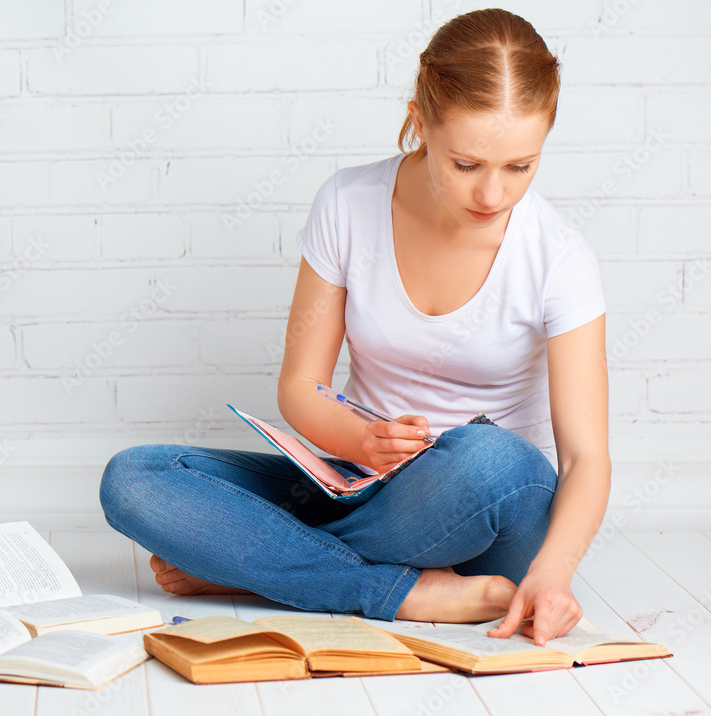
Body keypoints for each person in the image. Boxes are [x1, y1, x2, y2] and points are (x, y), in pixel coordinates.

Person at [99, 8, 610, 646]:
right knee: (135, 479)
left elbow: (586, 457)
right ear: (419, 122)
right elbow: (300, 387)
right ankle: (394, 591)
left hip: (489, 515)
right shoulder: (347, 204)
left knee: (496, 462)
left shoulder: (559, 254)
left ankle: (260, 564)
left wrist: (555, 574)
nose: (493, 195)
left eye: (520, 167)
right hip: (360, 489)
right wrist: (363, 440)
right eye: (466, 164)